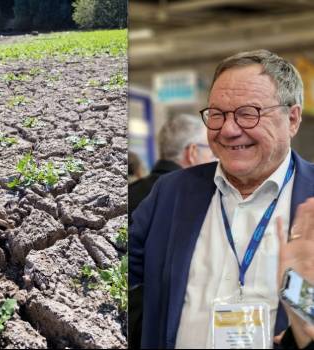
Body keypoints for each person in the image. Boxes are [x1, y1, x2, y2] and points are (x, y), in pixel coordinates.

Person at [129, 49, 314, 349]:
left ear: (292, 119)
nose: (228, 130)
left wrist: (305, 305)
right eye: (217, 114)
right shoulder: (171, 192)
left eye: (247, 113)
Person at [128, 114, 215, 224]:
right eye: (211, 150)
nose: (215, 158)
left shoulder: (130, 192)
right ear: (192, 152)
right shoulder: (198, 201)